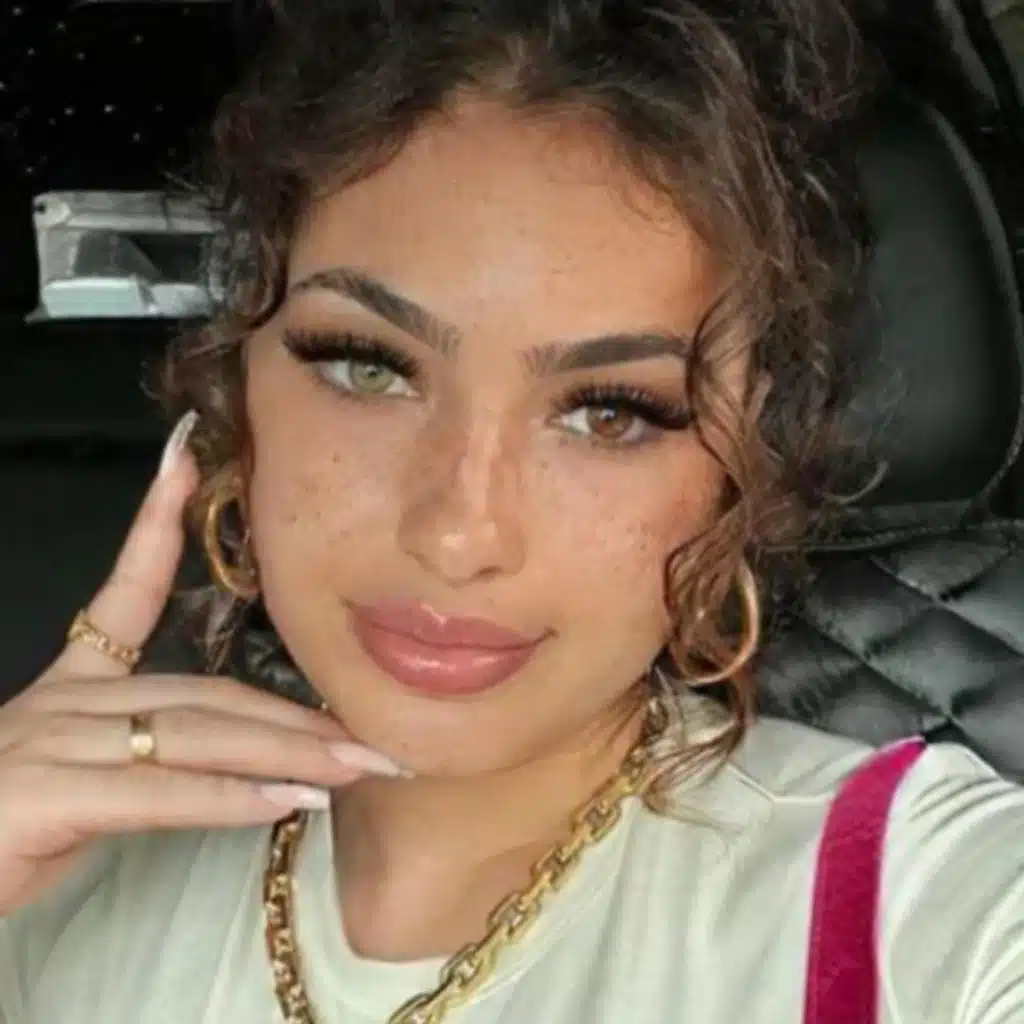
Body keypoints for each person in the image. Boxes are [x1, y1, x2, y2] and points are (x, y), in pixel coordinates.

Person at [2, 2, 1023, 1022]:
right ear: (238, 383)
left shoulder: (930, 904)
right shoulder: (46, 874)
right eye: (367, 367)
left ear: (739, 460)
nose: (458, 535)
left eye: (609, 413)